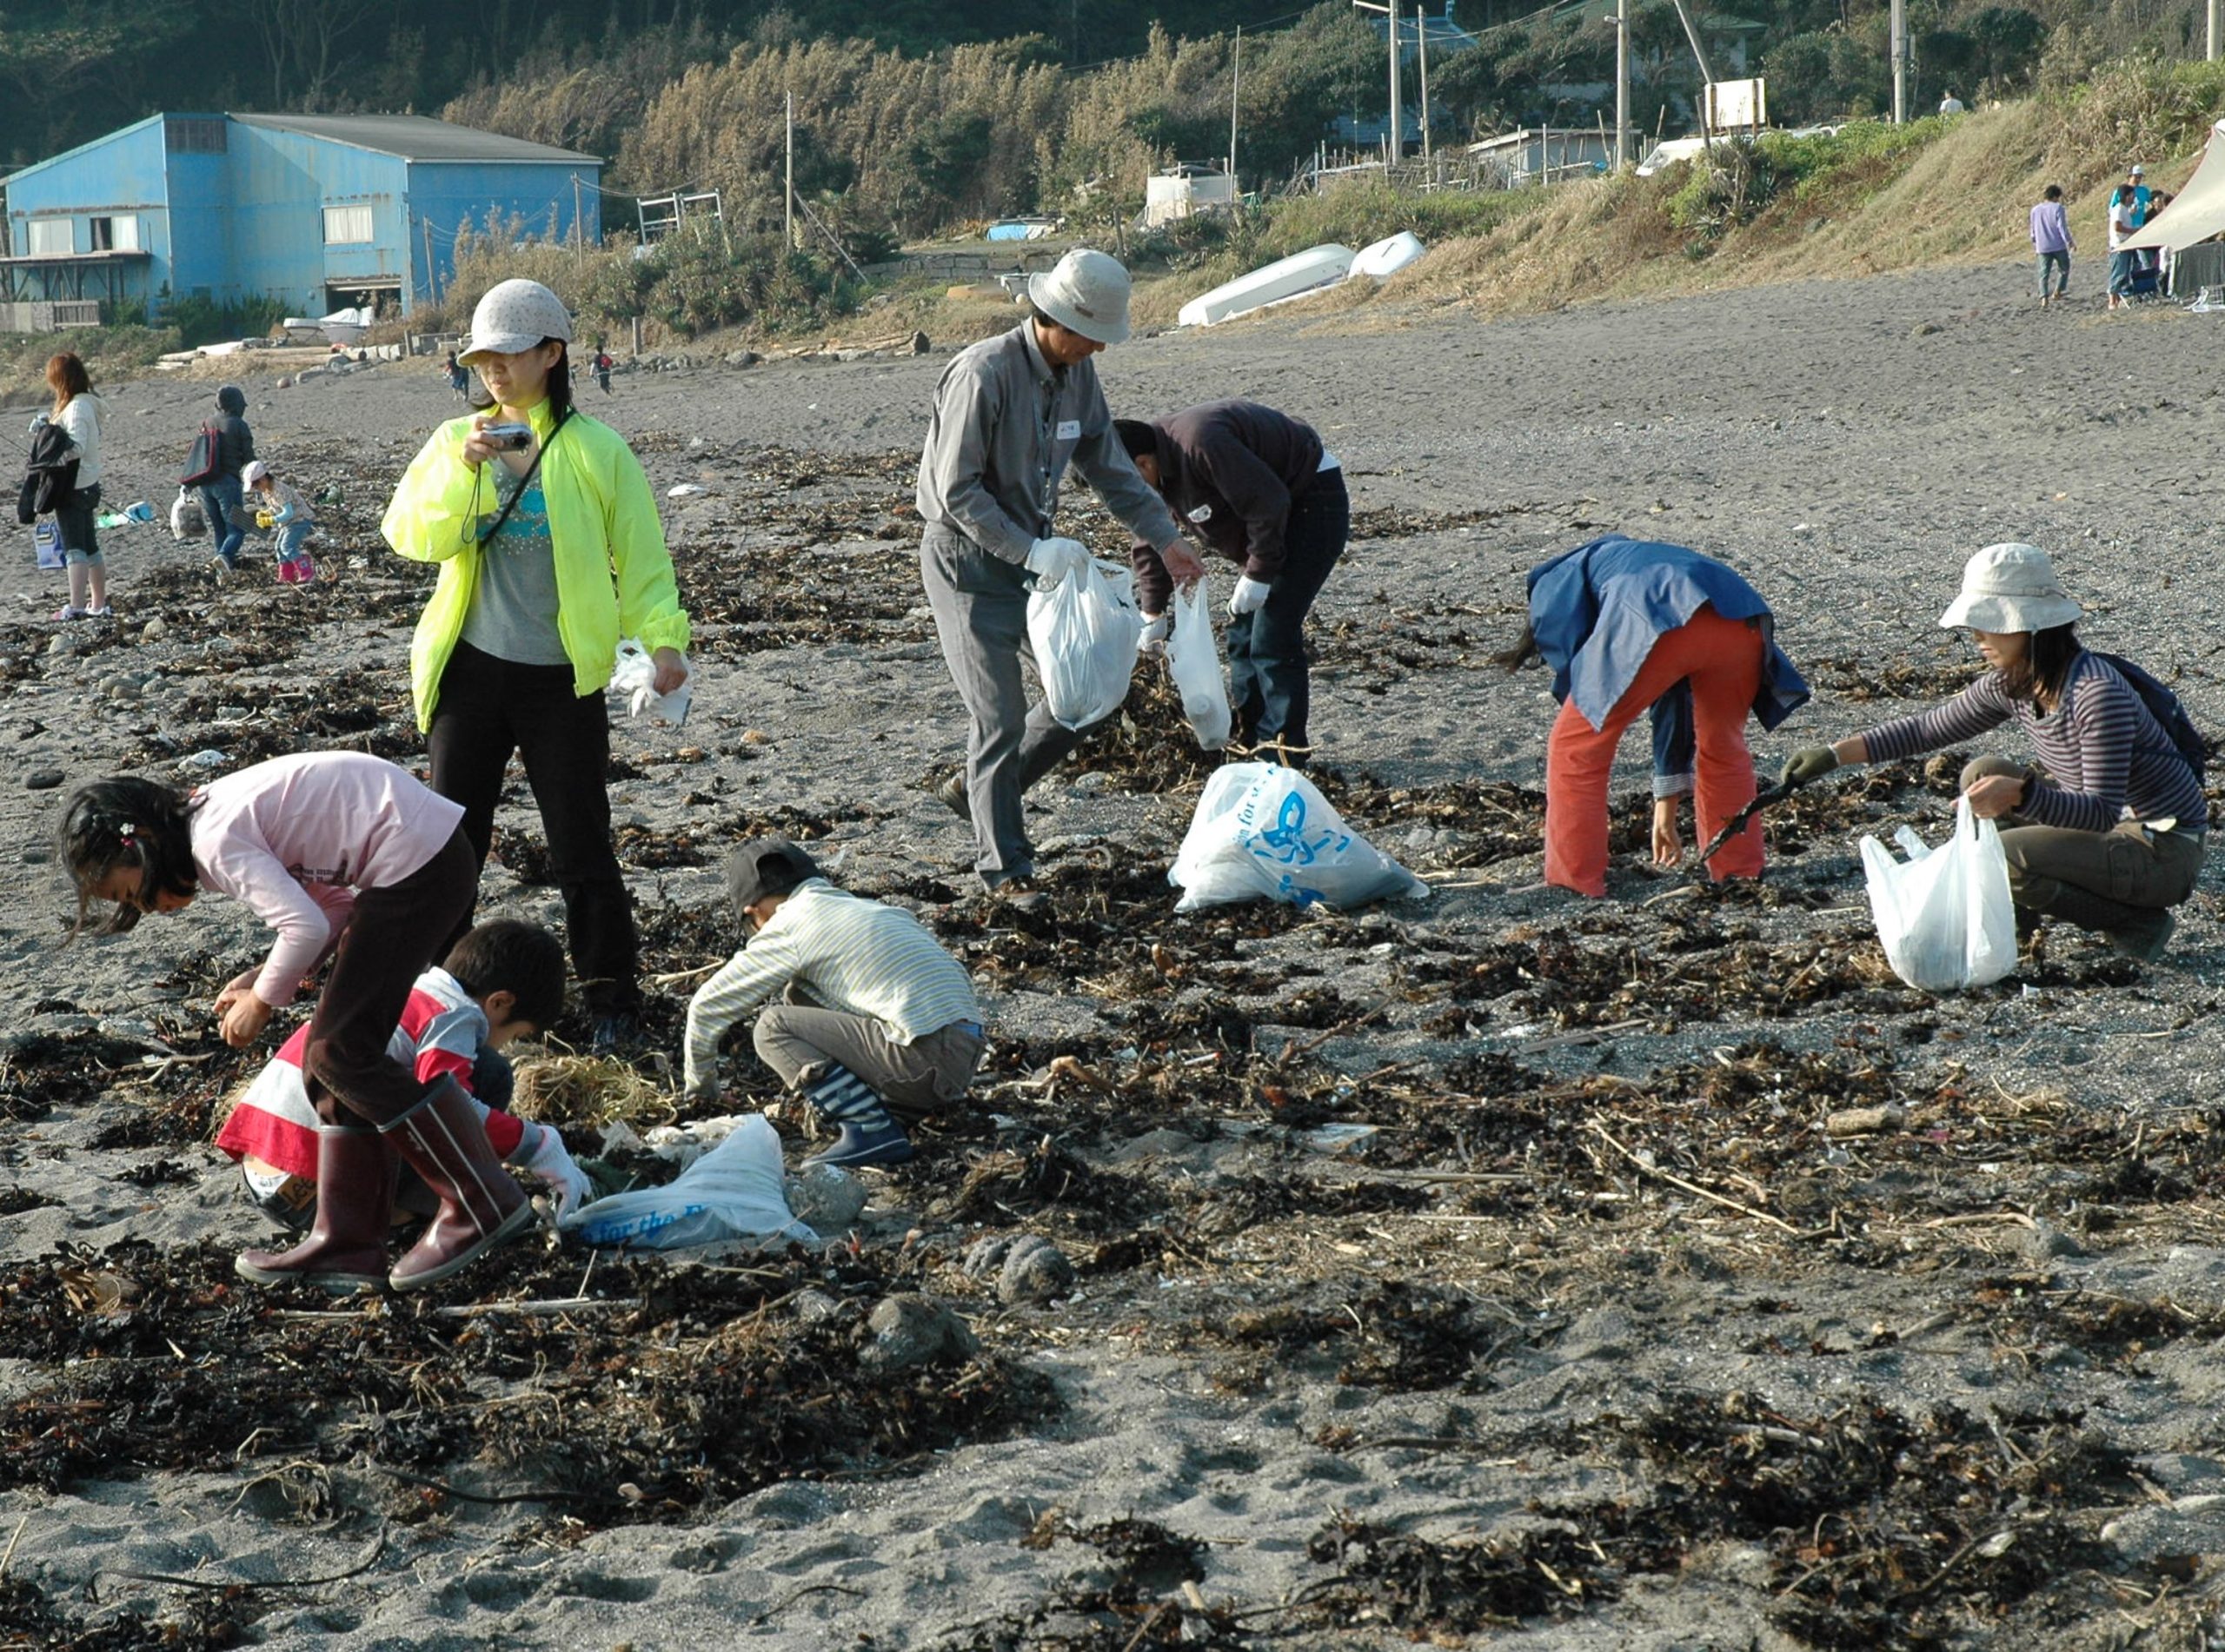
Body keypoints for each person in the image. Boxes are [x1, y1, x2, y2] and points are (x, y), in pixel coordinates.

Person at [56, 751, 539, 1291]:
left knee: (340, 1055)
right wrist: (262, 975)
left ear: (142, 838)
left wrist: (262, 1002)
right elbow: (332, 909)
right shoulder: (214, 820)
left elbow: (304, 926)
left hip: (417, 866)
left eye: (131, 892)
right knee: (332, 1063)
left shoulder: (213, 840)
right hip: (423, 861)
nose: (146, 908)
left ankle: (480, 1200)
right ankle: (349, 1244)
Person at [382, 277, 690, 1050]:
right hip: (470, 672)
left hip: (562, 680)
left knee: (582, 846)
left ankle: (612, 999)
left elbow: (643, 561)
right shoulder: (453, 442)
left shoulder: (598, 451)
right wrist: (465, 468)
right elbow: (411, 536)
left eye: (509, 355)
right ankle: (436, 998)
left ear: (552, 354)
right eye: (482, 358)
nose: (493, 370)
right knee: (452, 850)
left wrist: (664, 642)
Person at [915, 248, 1202, 892]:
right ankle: (1007, 871)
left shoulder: (1077, 377)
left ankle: (984, 791)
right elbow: (957, 491)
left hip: (1034, 570)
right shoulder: (983, 374)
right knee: (1000, 717)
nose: (1099, 349)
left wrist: (1166, 540)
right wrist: (1030, 550)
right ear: (1058, 320)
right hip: (966, 563)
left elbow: (1110, 468)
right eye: (1093, 336)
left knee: (1089, 691)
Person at [1782, 544, 2202, 962]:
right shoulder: (2015, 682)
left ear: (2031, 627)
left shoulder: (2096, 695)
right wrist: (1833, 755)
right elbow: (1927, 728)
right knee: (1981, 772)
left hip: (2161, 849)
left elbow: (2100, 814)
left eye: (1990, 624)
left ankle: (2134, 924)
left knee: (1999, 859)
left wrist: (2021, 795)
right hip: (2109, 831)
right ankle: (2015, 926)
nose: (1978, 637)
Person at [218, 918, 590, 1241]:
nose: (505, 1043)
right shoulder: (454, 1015)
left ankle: (409, 1205)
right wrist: (539, 1145)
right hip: (316, 1191)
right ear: (500, 1002)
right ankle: (427, 1209)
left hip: (265, 1177)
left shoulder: (410, 987)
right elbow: (453, 1108)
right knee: (491, 1073)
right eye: (515, 1034)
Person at [1508, 534, 1810, 899]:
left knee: (1576, 745)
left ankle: (1574, 880)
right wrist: (1666, 803)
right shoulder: (1626, 557)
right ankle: (1739, 870)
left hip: (1655, 611)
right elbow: (1672, 692)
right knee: (1723, 747)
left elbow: (1574, 654)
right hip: (1740, 617)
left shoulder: (1554, 579)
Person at [684, 839, 985, 1169]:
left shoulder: (788, 924)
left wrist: (702, 1092)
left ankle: (869, 1128)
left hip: (921, 1059)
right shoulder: (867, 908)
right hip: (962, 1055)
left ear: (753, 912)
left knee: (772, 1027)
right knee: (801, 996)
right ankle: (898, 1108)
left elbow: (706, 1009)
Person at [1113, 401, 1350, 767]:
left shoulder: (1201, 443)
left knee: (1272, 635)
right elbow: (1151, 537)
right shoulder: (1154, 468)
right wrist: (1152, 611)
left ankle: (1282, 753)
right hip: (1271, 514)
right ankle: (1249, 739)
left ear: (1143, 464)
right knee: (1242, 636)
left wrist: (1259, 573)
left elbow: (1269, 502)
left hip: (1311, 496)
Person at [43, 352, 109, 620]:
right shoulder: (82, 403)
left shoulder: (78, 407)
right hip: (87, 484)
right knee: (90, 547)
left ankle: (77, 606)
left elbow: (77, 447)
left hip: (75, 486)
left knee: (75, 548)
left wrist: (50, 448)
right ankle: (98, 604)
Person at [198, 384, 256, 572]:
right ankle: (224, 556)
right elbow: (249, 458)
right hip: (228, 483)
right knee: (237, 529)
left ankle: (222, 570)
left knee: (220, 529)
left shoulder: (208, 422)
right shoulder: (238, 424)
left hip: (205, 483)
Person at [243, 458, 316, 584]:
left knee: (287, 547)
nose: (256, 489)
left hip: (300, 519)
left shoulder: (279, 490)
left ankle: (306, 571)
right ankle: (287, 575)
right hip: (288, 522)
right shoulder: (267, 491)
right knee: (279, 547)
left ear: (263, 479)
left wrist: (271, 520)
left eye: (256, 485)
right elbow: (276, 507)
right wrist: (267, 513)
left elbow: (288, 513)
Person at [2108, 167, 2151, 310]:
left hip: (2128, 242)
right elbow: (2117, 226)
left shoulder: (2126, 208)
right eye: (2131, 195)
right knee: (2118, 272)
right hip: (2119, 245)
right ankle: (2112, 300)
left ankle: (2123, 297)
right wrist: (2133, 231)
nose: (2133, 197)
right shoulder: (2119, 208)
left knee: (2131, 268)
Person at [2029, 183, 2074, 308]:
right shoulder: (2058, 208)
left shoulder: (2035, 210)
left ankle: (2044, 297)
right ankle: (2058, 291)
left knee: (2044, 273)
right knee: (2064, 268)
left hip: (2042, 246)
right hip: (2057, 245)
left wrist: (2035, 242)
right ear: (2055, 197)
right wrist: (2069, 241)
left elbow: (2032, 230)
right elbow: (2062, 227)